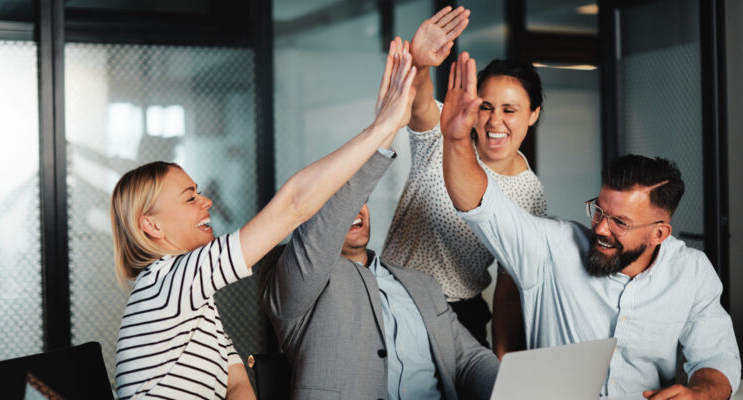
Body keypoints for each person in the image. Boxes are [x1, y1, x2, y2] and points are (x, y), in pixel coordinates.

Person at [110, 40, 417, 400]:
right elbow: (293, 206)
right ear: (152, 226)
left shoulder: (192, 296)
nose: (206, 201)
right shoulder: (167, 283)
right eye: (190, 197)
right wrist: (381, 128)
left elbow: (238, 384)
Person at [439, 51, 740, 398]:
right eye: (599, 210)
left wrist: (703, 392)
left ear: (660, 233)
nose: (600, 228)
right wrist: (457, 139)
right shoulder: (552, 246)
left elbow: (717, 356)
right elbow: (479, 202)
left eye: (620, 223)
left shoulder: (691, 272)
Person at [259, 146, 499, 400]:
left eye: (361, 199)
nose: (356, 209)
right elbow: (315, 243)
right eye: (338, 202)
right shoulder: (289, 272)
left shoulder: (421, 284)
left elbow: (469, 359)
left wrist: (512, 386)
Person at [382, 6, 546, 356]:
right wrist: (420, 62)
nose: (494, 121)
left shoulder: (530, 193)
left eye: (510, 109)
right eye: (486, 107)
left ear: (533, 115)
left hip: (460, 316)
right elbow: (421, 102)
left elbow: (509, 284)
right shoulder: (448, 129)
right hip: (393, 299)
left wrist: (503, 361)